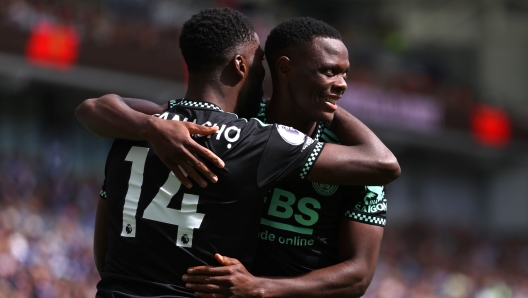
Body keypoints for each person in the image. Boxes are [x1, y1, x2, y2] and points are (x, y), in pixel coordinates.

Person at [76, 9, 400, 298]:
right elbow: (384, 164)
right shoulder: (256, 138)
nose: (343, 84)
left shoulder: (151, 125)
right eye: (329, 72)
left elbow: (358, 276)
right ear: (281, 69)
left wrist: (262, 287)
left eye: (345, 74)